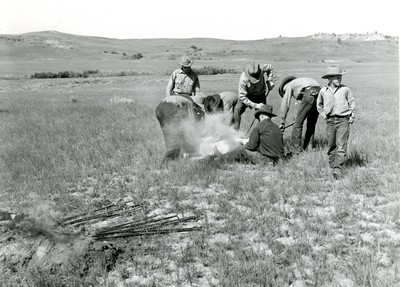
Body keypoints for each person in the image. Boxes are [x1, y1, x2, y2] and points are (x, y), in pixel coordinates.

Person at [316, 65, 356, 179]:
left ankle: (338, 169)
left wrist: (352, 115)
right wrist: (324, 115)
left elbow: (352, 103)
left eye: (340, 77)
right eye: (336, 77)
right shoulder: (323, 91)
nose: (339, 80)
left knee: (341, 145)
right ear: (329, 79)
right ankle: (332, 164)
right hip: (330, 121)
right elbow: (319, 105)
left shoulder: (345, 90)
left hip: (343, 120)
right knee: (331, 145)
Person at [216, 105, 284, 165]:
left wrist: (243, 144)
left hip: (265, 159)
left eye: (259, 117)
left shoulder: (259, 126)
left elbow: (251, 146)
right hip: (278, 160)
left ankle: (221, 158)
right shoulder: (277, 127)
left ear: (262, 115)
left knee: (240, 150)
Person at [278, 76, 321, 154]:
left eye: (284, 92)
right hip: (319, 93)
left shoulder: (289, 85)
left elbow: (285, 104)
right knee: (311, 123)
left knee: (297, 125)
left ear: (285, 86)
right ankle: (309, 148)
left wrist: (282, 121)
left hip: (309, 93)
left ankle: (296, 151)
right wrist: (298, 116)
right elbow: (305, 105)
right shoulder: (300, 82)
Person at [155, 94, 203, 161]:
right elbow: (190, 122)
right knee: (177, 134)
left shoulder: (180, 98)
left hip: (159, 109)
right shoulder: (189, 103)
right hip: (170, 108)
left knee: (167, 133)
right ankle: (168, 161)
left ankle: (173, 154)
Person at [233, 62, 276, 130]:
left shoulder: (262, 68)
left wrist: (270, 81)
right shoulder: (243, 79)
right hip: (247, 96)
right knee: (237, 109)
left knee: (263, 115)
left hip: (260, 95)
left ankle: (262, 134)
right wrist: (255, 105)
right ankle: (235, 134)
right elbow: (242, 96)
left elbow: (270, 68)